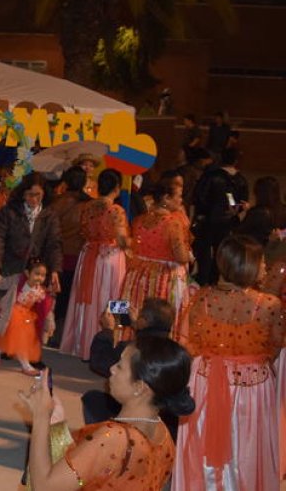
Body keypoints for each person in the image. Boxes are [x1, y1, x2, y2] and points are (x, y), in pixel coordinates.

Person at [172, 235, 286, 490]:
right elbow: (275, 347)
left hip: (206, 380)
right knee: (246, 446)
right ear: (247, 266)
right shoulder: (269, 305)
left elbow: (189, 343)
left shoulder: (201, 298)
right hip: (252, 388)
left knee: (203, 444)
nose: (265, 268)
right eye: (261, 262)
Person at [20, 338, 195, 490]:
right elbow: (95, 472)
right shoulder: (163, 435)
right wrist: (57, 428)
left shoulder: (114, 438)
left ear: (139, 387)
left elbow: (44, 486)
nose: (111, 369)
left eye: (120, 366)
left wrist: (40, 416)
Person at [60, 169, 130, 360]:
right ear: (117, 188)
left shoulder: (88, 207)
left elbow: (83, 231)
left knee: (88, 299)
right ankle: (113, 341)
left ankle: (83, 343)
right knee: (116, 295)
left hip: (88, 254)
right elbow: (122, 240)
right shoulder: (116, 210)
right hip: (110, 258)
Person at [81, 297, 176, 426]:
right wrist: (138, 327)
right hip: (163, 416)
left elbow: (100, 361)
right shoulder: (175, 351)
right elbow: (151, 339)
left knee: (92, 399)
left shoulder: (132, 349)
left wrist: (107, 330)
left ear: (144, 321)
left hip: (136, 414)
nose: (114, 369)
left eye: (141, 313)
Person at [120, 182, 192, 318]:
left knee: (132, 308)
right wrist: (190, 256)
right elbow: (181, 257)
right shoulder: (173, 223)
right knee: (158, 317)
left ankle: (121, 335)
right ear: (166, 198)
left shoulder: (139, 220)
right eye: (179, 196)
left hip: (136, 274)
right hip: (163, 277)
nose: (181, 200)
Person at [0, 258, 54, 376]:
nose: (39, 278)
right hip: (11, 314)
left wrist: (50, 323)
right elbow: (0, 282)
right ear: (27, 273)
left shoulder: (40, 292)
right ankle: (26, 366)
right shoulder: (17, 280)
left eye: (43, 275)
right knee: (21, 340)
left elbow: (46, 310)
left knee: (18, 340)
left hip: (26, 317)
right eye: (37, 274)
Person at [46, 166, 92, 345]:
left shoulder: (55, 203)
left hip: (57, 255)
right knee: (72, 297)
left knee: (56, 295)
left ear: (65, 182)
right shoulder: (88, 205)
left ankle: (51, 333)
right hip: (79, 256)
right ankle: (67, 335)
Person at [191, 147, 249, 285]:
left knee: (203, 251)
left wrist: (202, 213)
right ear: (236, 161)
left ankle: (202, 279)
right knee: (221, 252)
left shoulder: (211, 176)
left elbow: (200, 197)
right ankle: (215, 279)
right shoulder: (241, 180)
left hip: (208, 221)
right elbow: (242, 202)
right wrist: (236, 211)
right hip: (228, 222)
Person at [0, 174, 62, 279]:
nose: (34, 199)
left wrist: (55, 270)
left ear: (44, 193)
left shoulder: (50, 215)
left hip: (37, 272)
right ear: (22, 194)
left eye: (38, 195)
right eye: (30, 195)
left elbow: (54, 244)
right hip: (11, 268)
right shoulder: (9, 211)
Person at [234, 175, 286, 246]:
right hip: (279, 253)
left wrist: (237, 215)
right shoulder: (283, 209)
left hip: (257, 251)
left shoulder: (257, 213)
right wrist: (280, 234)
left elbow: (238, 234)